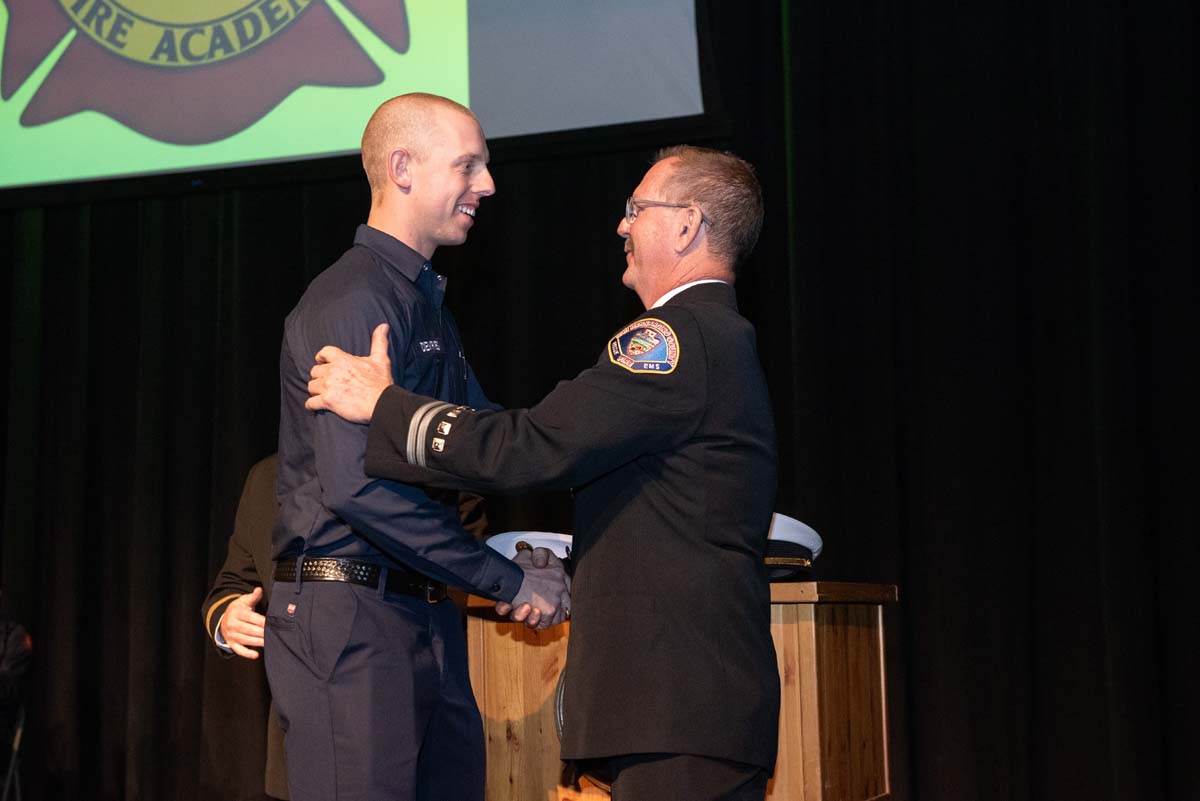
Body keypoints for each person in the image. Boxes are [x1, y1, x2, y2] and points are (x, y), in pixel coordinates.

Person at [305, 146, 780, 801]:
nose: (621, 225)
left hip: (679, 704)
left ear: (685, 225)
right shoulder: (714, 336)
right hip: (692, 702)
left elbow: (532, 448)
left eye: (636, 209)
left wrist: (385, 405)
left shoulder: (674, 340)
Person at [269, 92, 570, 801]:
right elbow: (357, 490)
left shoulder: (421, 302)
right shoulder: (354, 302)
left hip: (421, 611)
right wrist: (508, 582)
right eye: (468, 165)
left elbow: (483, 441)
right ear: (402, 168)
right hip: (354, 622)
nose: (487, 184)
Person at [201, 454, 289, 800]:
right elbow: (233, 582)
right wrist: (229, 617)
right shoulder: (267, 476)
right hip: (294, 736)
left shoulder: (396, 453)